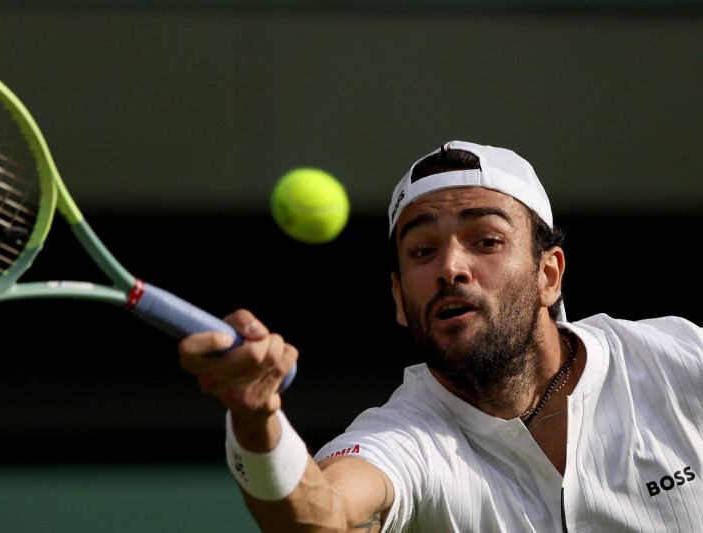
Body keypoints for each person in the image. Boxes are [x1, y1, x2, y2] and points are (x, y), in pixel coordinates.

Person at [178, 140, 703, 532]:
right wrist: (256, 418)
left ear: (548, 275)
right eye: (422, 251)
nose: (450, 267)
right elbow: (322, 518)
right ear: (399, 299)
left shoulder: (679, 359)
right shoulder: (403, 439)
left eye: (486, 240)